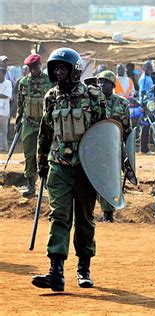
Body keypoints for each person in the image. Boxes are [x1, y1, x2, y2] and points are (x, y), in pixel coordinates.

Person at [32, 47, 107, 291]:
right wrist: (41, 162)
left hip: (86, 169)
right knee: (59, 216)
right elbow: (45, 132)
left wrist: (104, 168)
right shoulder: (50, 97)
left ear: (73, 70)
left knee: (84, 220)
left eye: (63, 68)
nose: (59, 72)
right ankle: (56, 272)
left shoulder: (93, 96)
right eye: (55, 69)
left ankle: (83, 269)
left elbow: (105, 133)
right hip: (59, 167)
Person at [96, 70, 131, 222]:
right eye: (100, 82)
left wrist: (128, 153)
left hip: (115, 147)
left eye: (105, 82)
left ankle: (108, 213)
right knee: (96, 177)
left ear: (112, 84)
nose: (102, 85)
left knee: (111, 179)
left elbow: (127, 129)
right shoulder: (94, 101)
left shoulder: (122, 103)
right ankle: (103, 209)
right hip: (97, 146)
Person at [15, 54, 52, 197]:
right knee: (29, 155)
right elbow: (20, 104)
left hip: (46, 124)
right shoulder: (23, 82)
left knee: (47, 154)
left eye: (35, 67)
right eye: (31, 68)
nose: (33, 70)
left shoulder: (50, 82)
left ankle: (50, 185)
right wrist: (18, 122)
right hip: (29, 124)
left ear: (40, 66)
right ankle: (31, 187)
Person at [138, 60, 155, 155]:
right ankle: (144, 148)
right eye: (148, 68)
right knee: (145, 126)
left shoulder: (149, 77)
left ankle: (145, 147)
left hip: (150, 104)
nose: (150, 69)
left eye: (151, 67)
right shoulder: (144, 78)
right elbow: (143, 92)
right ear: (144, 68)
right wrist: (144, 106)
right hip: (146, 105)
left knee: (147, 126)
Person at [0, 65, 12, 152]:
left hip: (4, 111)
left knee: (4, 131)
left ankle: (4, 147)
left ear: (4, 74)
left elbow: (6, 95)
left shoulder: (8, 83)